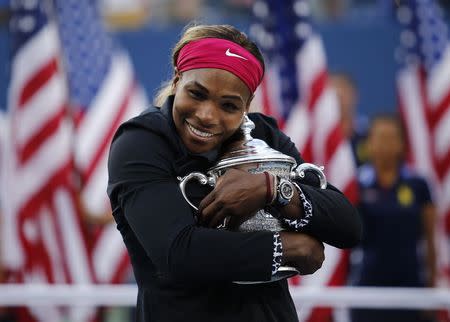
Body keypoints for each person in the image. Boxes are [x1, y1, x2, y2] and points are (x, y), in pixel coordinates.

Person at [107, 24, 361, 322]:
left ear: (246, 106)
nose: (207, 115)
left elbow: (348, 227)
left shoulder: (263, 134)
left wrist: (272, 188)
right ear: (177, 81)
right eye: (196, 94)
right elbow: (178, 253)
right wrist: (286, 248)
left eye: (228, 105)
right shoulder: (141, 142)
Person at [350, 115, 437, 322]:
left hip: (410, 282)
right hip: (368, 284)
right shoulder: (356, 185)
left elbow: (431, 241)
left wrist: (432, 286)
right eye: (379, 138)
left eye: (391, 138)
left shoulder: (418, 185)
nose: (384, 144)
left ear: (401, 144)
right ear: (369, 143)